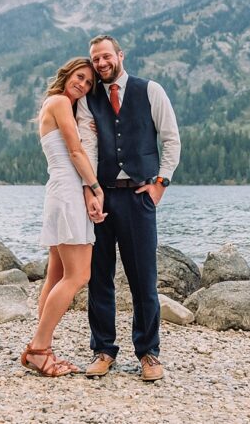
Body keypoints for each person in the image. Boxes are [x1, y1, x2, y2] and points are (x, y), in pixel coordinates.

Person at [76, 34, 181, 382]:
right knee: (100, 278)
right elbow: (87, 147)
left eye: (106, 56)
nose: (102, 63)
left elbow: (171, 139)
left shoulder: (151, 90)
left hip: (139, 198)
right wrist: (90, 190)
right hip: (102, 194)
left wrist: (160, 185)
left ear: (120, 55)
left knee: (143, 279)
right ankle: (103, 350)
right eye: (96, 59)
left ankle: (149, 353)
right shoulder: (89, 100)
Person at [21, 57, 107, 377]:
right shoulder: (58, 101)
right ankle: (39, 350)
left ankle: (42, 347)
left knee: (56, 275)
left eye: (88, 83)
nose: (83, 85)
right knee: (78, 275)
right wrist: (95, 188)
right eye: (80, 77)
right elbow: (75, 151)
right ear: (67, 73)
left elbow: (76, 143)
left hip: (58, 190)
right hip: (69, 192)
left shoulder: (58, 106)